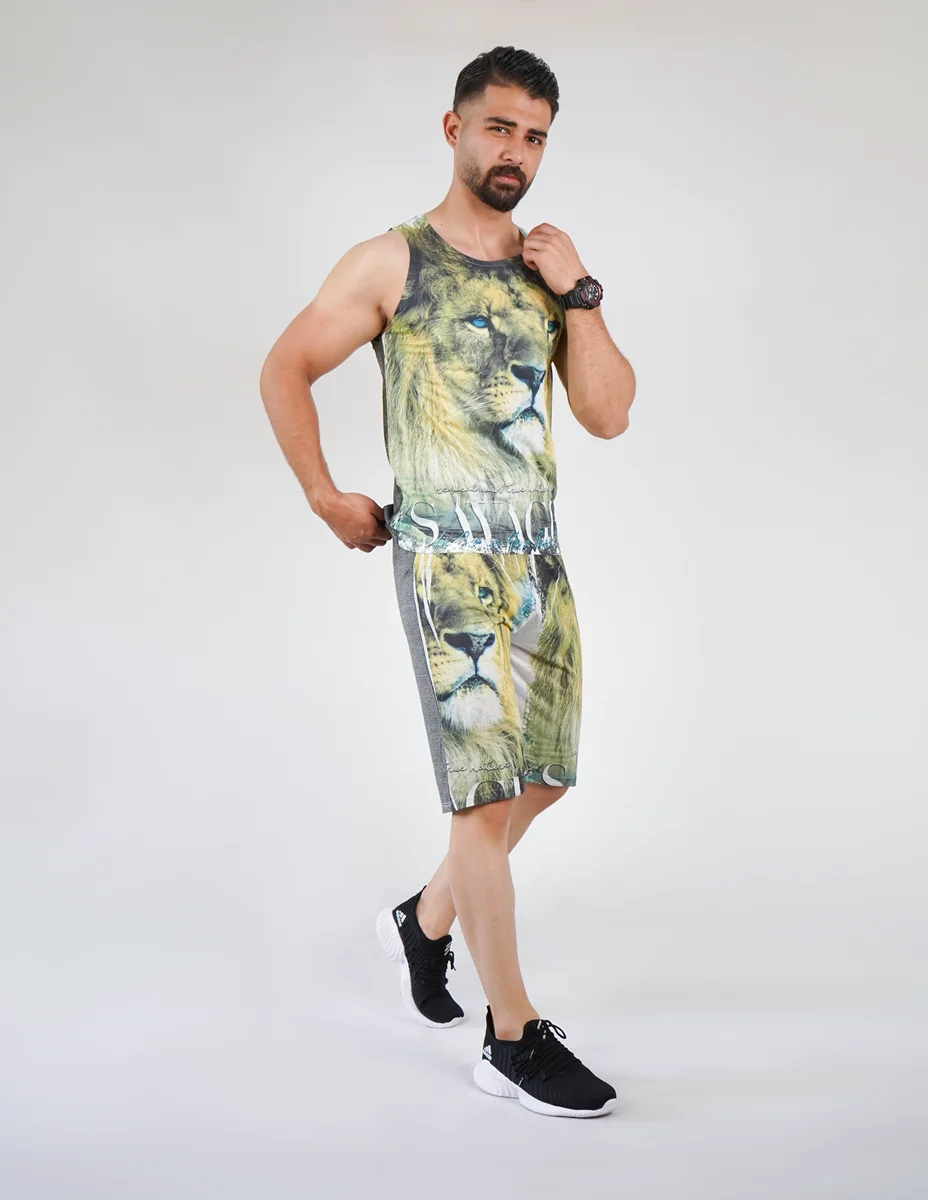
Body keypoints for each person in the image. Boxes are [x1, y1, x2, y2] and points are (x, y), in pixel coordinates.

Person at [259, 45, 635, 1118]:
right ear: (455, 128)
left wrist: (581, 295)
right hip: (444, 561)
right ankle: (510, 1038)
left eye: (535, 136)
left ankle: (424, 922)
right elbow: (286, 366)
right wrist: (325, 494)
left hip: (536, 557)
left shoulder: (549, 273)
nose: (517, 151)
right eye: (500, 127)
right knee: (483, 797)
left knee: (543, 778)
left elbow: (609, 414)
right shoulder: (394, 261)